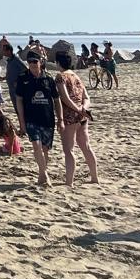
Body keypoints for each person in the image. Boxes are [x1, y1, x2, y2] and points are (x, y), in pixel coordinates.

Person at [14, 50, 63, 187]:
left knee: (45, 149)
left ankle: (42, 174)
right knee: (36, 145)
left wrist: (61, 119)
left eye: (35, 62)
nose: (32, 64)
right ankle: (45, 175)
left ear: (41, 62)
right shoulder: (23, 78)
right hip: (31, 119)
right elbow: (19, 100)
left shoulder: (48, 79)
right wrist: (21, 122)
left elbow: (56, 100)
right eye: (29, 62)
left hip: (47, 119)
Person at [55, 51, 99, 187]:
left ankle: (69, 182)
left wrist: (77, 109)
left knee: (68, 150)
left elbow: (64, 98)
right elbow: (86, 97)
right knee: (86, 147)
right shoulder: (76, 76)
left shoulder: (60, 77)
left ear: (57, 63)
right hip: (82, 117)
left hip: (70, 116)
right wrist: (83, 109)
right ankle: (94, 177)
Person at [1, 42, 26, 115]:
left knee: (21, 109)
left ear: (9, 51)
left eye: (4, 50)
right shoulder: (9, 60)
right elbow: (12, 73)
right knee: (17, 109)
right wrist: (4, 78)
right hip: (11, 89)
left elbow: (25, 70)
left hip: (17, 89)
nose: (3, 52)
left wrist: (19, 81)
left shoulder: (16, 59)